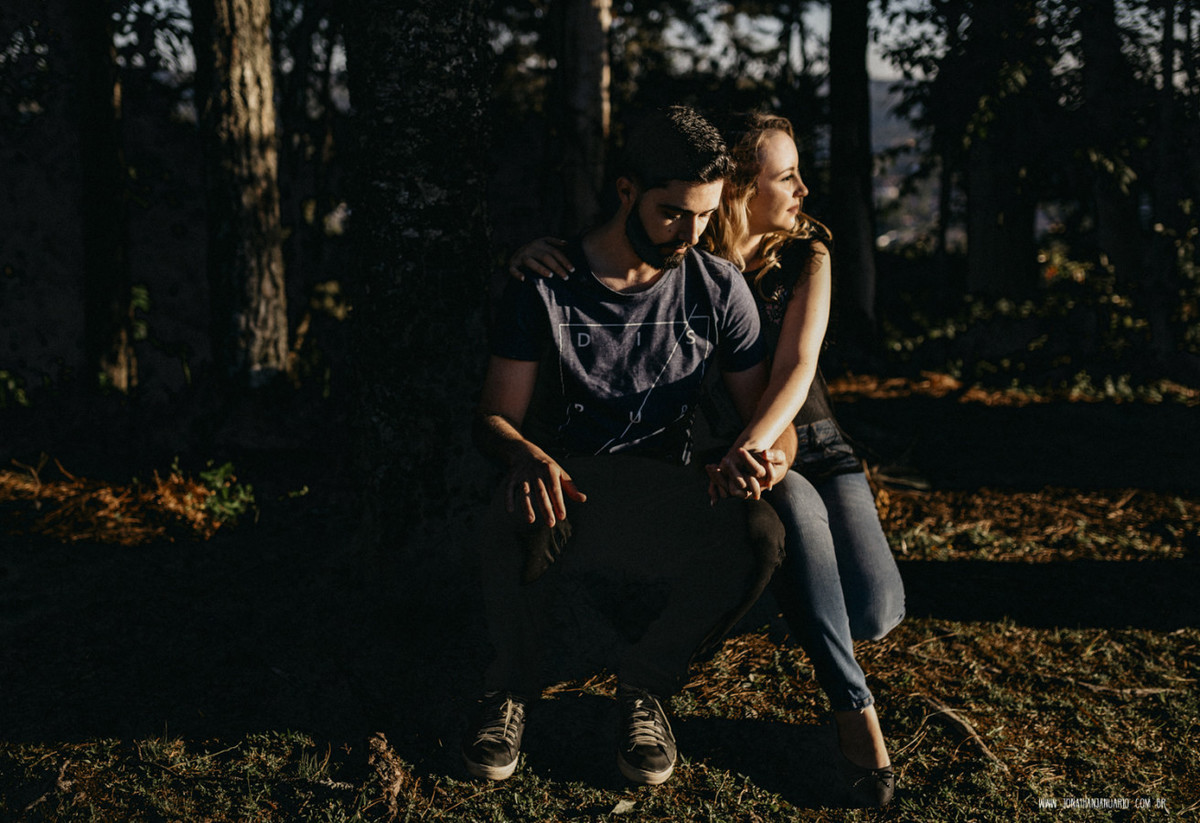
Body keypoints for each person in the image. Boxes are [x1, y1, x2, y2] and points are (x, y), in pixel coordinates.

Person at [508, 111, 905, 807]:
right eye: (787, 177)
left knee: (872, 612)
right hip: (729, 458)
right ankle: (854, 710)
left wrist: (760, 446)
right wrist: (528, 259)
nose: (803, 190)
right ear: (740, 188)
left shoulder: (805, 255)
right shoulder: (680, 252)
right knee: (787, 514)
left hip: (806, 442)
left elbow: (796, 371)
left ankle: (785, 590)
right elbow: (598, 268)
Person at [467, 105, 796, 787]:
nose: (691, 234)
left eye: (705, 216)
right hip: (566, 489)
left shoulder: (718, 287)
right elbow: (495, 416)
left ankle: (646, 686)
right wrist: (524, 453)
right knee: (521, 501)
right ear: (626, 191)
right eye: (673, 213)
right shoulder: (547, 283)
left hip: (664, 492)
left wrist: (767, 456)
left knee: (761, 533)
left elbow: (772, 418)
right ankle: (510, 690)